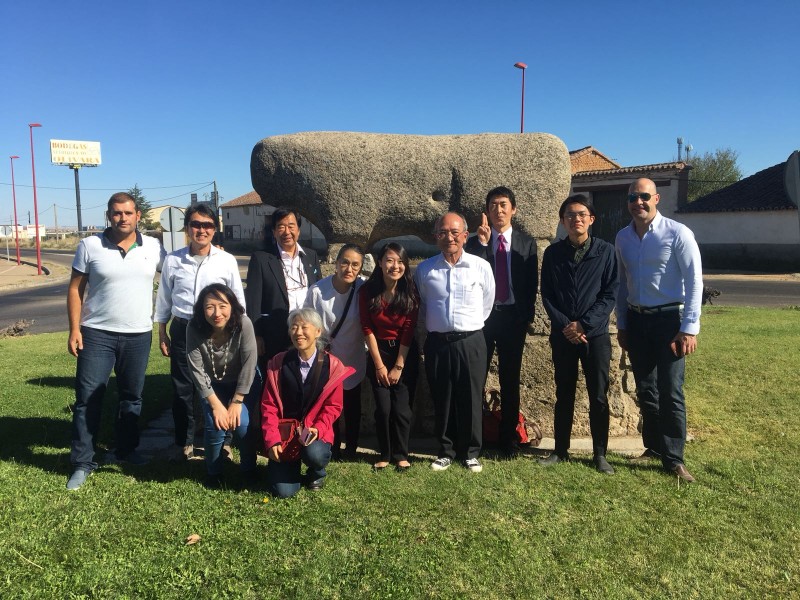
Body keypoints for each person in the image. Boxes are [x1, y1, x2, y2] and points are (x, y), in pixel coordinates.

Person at [66, 192, 166, 491]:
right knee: (88, 399)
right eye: (116, 213)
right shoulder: (90, 246)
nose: (122, 218)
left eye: (128, 212)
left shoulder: (153, 247)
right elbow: (75, 289)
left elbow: (177, 272)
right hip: (97, 334)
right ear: (108, 215)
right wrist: (74, 329)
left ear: (138, 216)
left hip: (138, 334)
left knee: (131, 397)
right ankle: (82, 462)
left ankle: (126, 450)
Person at [616, 178, 703, 483]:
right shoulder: (623, 237)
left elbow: (695, 281)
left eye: (644, 196)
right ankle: (653, 447)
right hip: (637, 320)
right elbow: (622, 284)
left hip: (670, 322)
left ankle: (674, 458)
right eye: (632, 197)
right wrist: (622, 324)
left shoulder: (678, 233)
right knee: (646, 389)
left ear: (656, 199)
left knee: (671, 391)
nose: (638, 202)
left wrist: (689, 328)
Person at [154, 203, 245, 461]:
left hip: (218, 331)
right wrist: (162, 332)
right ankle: (184, 442)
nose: (201, 230)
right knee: (183, 389)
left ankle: (223, 442)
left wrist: (238, 333)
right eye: (196, 224)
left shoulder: (226, 260)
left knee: (220, 385)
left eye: (207, 225)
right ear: (187, 228)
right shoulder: (173, 260)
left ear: (215, 230)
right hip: (183, 328)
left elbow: (238, 300)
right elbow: (164, 298)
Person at [539, 195, 619, 473]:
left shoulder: (605, 251)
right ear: (563, 221)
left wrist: (584, 324)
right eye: (570, 215)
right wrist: (567, 326)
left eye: (581, 214)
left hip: (595, 336)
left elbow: (609, 294)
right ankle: (560, 449)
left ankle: (600, 454)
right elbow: (547, 294)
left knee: (598, 395)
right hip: (563, 335)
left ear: (591, 219)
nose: (576, 219)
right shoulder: (553, 253)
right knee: (564, 393)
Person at [415, 212, 495, 473]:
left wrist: (466, 326)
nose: (448, 237)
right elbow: (423, 304)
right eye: (442, 232)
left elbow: (487, 303)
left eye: (454, 232)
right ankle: (445, 450)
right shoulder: (426, 269)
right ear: (435, 236)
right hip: (438, 343)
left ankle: (471, 452)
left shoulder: (480, 266)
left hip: (471, 341)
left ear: (465, 235)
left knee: (471, 397)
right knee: (442, 396)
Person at [465, 186, 538, 457]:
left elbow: (530, 284)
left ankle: (509, 440)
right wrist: (484, 245)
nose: (499, 210)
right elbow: (473, 275)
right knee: (476, 378)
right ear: (487, 211)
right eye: (493, 205)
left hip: (512, 318)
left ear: (513, 209)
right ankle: (475, 439)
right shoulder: (475, 244)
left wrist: (524, 317)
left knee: (510, 380)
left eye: (504, 204)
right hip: (483, 319)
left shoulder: (526, 243)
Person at [261, 308, 354, 498]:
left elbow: (333, 407)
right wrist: (272, 439)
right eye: (294, 327)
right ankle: (290, 466)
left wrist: (318, 428)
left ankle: (316, 472)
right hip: (286, 434)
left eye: (304, 327)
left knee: (315, 454)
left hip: (314, 432)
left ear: (318, 331)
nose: (298, 332)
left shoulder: (332, 366)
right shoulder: (279, 363)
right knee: (284, 492)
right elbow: (268, 406)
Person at [186, 284, 261, 488]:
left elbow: (249, 364)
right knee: (215, 424)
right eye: (210, 307)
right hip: (212, 386)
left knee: (242, 423)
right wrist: (216, 405)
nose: (217, 313)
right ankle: (214, 472)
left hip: (243, 383)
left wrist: (237, 401)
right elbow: (196, 370)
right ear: (202, 310)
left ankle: (248, 467)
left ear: (232, 306)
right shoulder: (194, 327)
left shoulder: (243, 323)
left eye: (222, 306)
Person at [359, 242, 420, 472]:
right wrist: (379, 365)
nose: (395, 266)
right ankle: (384, 453)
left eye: (400, 261)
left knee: (402, 409)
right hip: (379, 352)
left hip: (404, 353)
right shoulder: (367, 291)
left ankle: (401, 454)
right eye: (390, 260)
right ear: (380, 263)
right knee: (384, 409)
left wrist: (398, 366)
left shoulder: (410, 291)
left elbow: (409, 329)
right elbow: (367, 328)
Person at [304, 244, 367, 460]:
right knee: (330, 405)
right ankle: (333, 445)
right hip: (327, 359)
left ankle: (352, 448)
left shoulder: (363, 289)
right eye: (345, 263)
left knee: (352, 405)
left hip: (353, 356)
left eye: (355, 265)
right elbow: (308, 322)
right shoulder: (317, 291)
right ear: (336, 263)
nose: (349, 269)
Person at [246, 207, 322, 363]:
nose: (287, 232)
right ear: (274, 232)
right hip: (275, 333)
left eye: (291, 226)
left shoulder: (311, 256)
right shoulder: (261, 259)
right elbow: (253, 300)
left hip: (306, 332)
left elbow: (318, 292)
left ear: (298, 230)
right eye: (281, 227)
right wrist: (256, 335)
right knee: (276, 373)